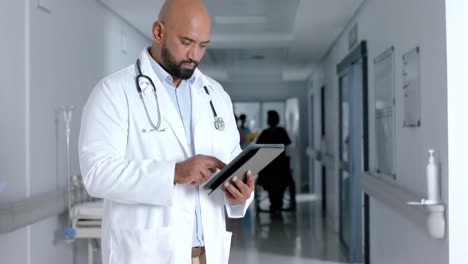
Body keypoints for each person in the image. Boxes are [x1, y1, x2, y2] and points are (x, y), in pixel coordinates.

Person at [78, 1, 254, 263]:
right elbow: (96, 174)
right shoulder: (114, 92)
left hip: (208, 253)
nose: (194, 54)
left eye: (203, 46)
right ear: (159, 32)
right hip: (147, 253)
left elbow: (232, 161)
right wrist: (174, 173)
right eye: (186, 42)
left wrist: (240, 194)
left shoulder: (215, 95)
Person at [256, 110, 295, 215]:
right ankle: (275, 205)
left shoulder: (280, 131)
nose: (268, 120)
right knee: (271, 184)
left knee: (281, 184)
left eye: (269, 117)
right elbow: (258, 146)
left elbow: (287, 143)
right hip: (268, 166)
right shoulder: (266, 132)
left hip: (280, 166)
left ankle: (278, 205)